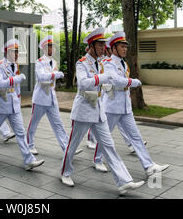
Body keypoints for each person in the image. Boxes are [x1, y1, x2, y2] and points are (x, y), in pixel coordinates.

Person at [60, 27, 144, 195]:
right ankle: (66, 172)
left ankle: (124, 181)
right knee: (73, 145)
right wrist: (103, 78)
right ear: (91, 45)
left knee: (109, 146)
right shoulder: (82, 62)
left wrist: (111, 86)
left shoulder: (101, 63)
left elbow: (103, 85)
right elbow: (83, 84)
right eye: (99, 44)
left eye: (103, 44)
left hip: (98, 110)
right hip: (83, 110)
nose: (102, 47)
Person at [93, 31, 169, 177]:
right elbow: (115, 80)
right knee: (105, 136)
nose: (125, 49)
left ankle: (149, 166)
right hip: (112, 106)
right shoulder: (108, 63)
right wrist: (132, 82)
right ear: (113, 48)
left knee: (136, 137)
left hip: (125, 107)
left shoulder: (123, 63)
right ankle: (97, 160)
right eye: (122, 47)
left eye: (126, 47)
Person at [0, 39, 45, 171]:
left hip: (13, 105)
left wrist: (17, 97)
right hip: (1, 103)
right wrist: (15, 79)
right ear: (7, 52)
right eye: (14, 51)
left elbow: (16, 88)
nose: (16, 54)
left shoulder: (15, 66)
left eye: (17, 51)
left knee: (21, 133)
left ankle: (28, 160)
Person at [26, 35, 82, 156]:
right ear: (45, 48)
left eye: (53, 46)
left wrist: (54, 74)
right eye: (50, 46)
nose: (53, 49)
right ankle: (29, 145)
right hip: (40, 98)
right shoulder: (39, 62)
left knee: (58, 124)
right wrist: (55, 74)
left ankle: (67, 147)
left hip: (51, 98)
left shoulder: (54, 62)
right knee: (34, 123)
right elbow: (41, 77)